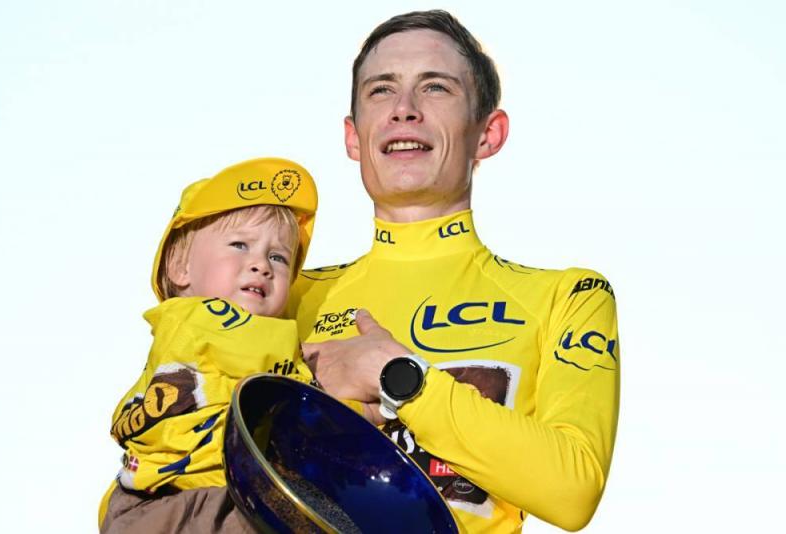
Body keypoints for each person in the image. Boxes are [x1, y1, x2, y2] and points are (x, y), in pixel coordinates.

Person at [292, 10, 620, 533]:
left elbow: (572, 489)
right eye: (381, 90)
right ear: (353, 137)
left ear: (488, 133)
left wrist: (398, 377)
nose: (404, 109)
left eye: (436, 87)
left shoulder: (568, 296)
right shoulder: (283, 296)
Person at [99, 157, 318, 533]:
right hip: (192, 497)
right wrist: (321, 368)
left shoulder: (194, 329)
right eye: (239, 245)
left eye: (278, 257)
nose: (261, 265)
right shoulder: (204, 318)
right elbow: (277, 369)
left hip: (159, 500)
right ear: (180, 268)